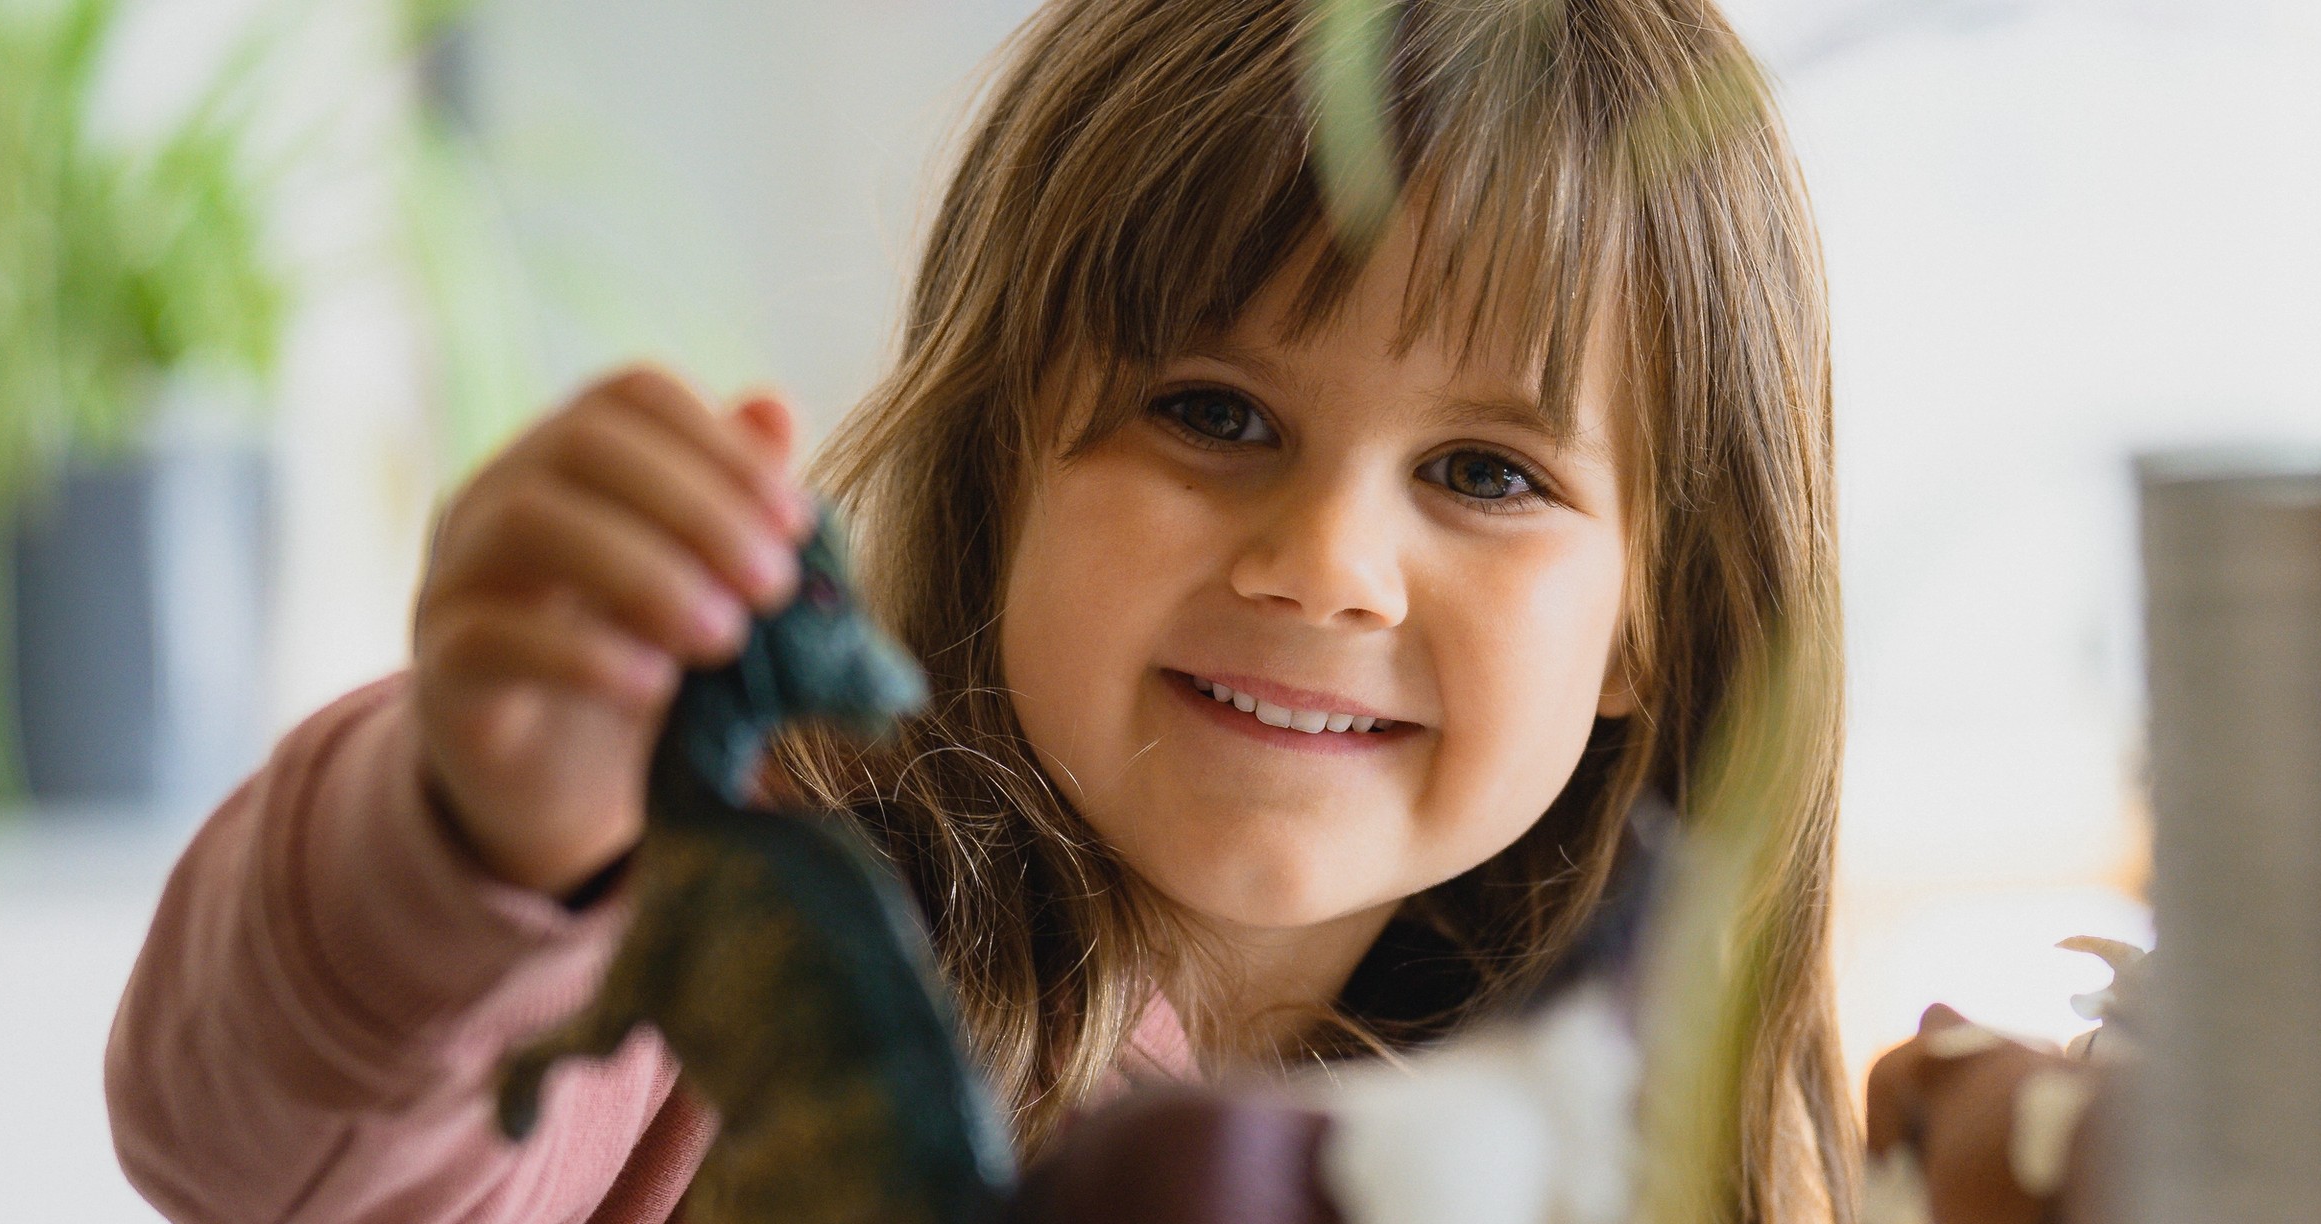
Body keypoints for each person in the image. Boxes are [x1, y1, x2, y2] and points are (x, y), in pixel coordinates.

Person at [101, 1, 1868, 1220]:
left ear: (1657, 612)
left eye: (1486, 473)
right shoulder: (761, 927)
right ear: (1005, 452)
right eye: (1214, 413)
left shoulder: (1619, 1144)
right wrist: (483, 842)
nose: (1326, 561)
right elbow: (272, 1151)